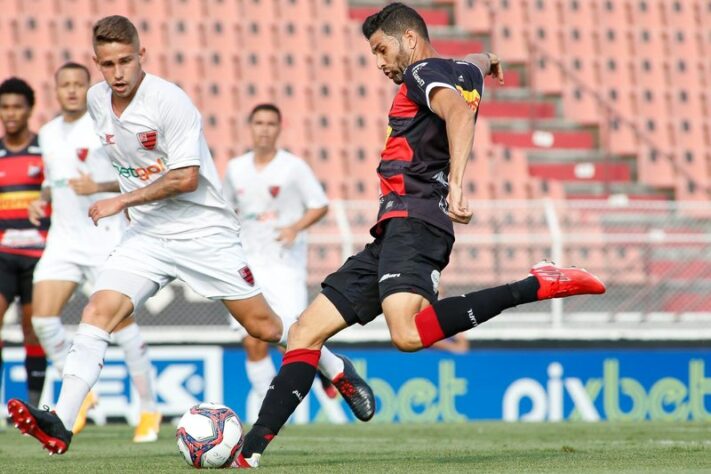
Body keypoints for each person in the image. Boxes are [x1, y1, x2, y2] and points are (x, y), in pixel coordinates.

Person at [232, 4, 606, 468]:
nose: (380, 62)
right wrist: (490, 59)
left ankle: (534, 283)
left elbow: (457, 114)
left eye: (381, 49)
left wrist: (460, 186)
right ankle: (248, 455)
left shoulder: (422, 73)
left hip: (418, 218)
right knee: (304, 332)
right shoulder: (460, 67)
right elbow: (476, 60)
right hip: (392, 228)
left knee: (407, 334)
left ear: (409, 40)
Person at [7, 16, 369, 456]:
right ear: (96, 64)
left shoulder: (170, 102)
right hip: (147, 234)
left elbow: (185, 178)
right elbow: (126, 167)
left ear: (143, 55)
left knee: (265, 326)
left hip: (203, 232)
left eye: (126, 61)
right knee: (98, 311)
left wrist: (122, 201)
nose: (118, 73)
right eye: (108, 64)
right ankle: (62, 422)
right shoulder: (97, 101)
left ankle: (334, 366)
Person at [28, 62, 160, 442]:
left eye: (78, 84)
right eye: (64, 85)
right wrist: (42, 200)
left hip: (105, 237)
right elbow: (55, 182)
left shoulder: (105, 125)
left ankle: (149, 408)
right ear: (55, 90)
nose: (71, 90)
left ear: (88, 89)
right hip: (64, 240)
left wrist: (97, 185)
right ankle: (80, 396)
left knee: (121, 325)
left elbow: (136, 176)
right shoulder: (49, 133)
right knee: (43, 318)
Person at [223, 103, 364, 422]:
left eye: (270, 123)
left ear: (279, 128)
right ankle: (267, 410)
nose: (264, 129)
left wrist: (294, 227)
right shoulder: (235, 169)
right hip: (249, 265)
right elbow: (225, 208)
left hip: (285, 266)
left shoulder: (293, 167)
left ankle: (326, 371)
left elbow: (319, 205)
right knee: (253, 340)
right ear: (250, 127)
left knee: (295, 339)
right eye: (258, 122)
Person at [0, 77, 48, 409]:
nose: (11, 113)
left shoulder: (44, 150)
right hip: (3, 254)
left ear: (29, 109)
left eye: (17, 106)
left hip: (38, 255)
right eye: (5, 107)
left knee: (33, 331)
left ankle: (32, 406)